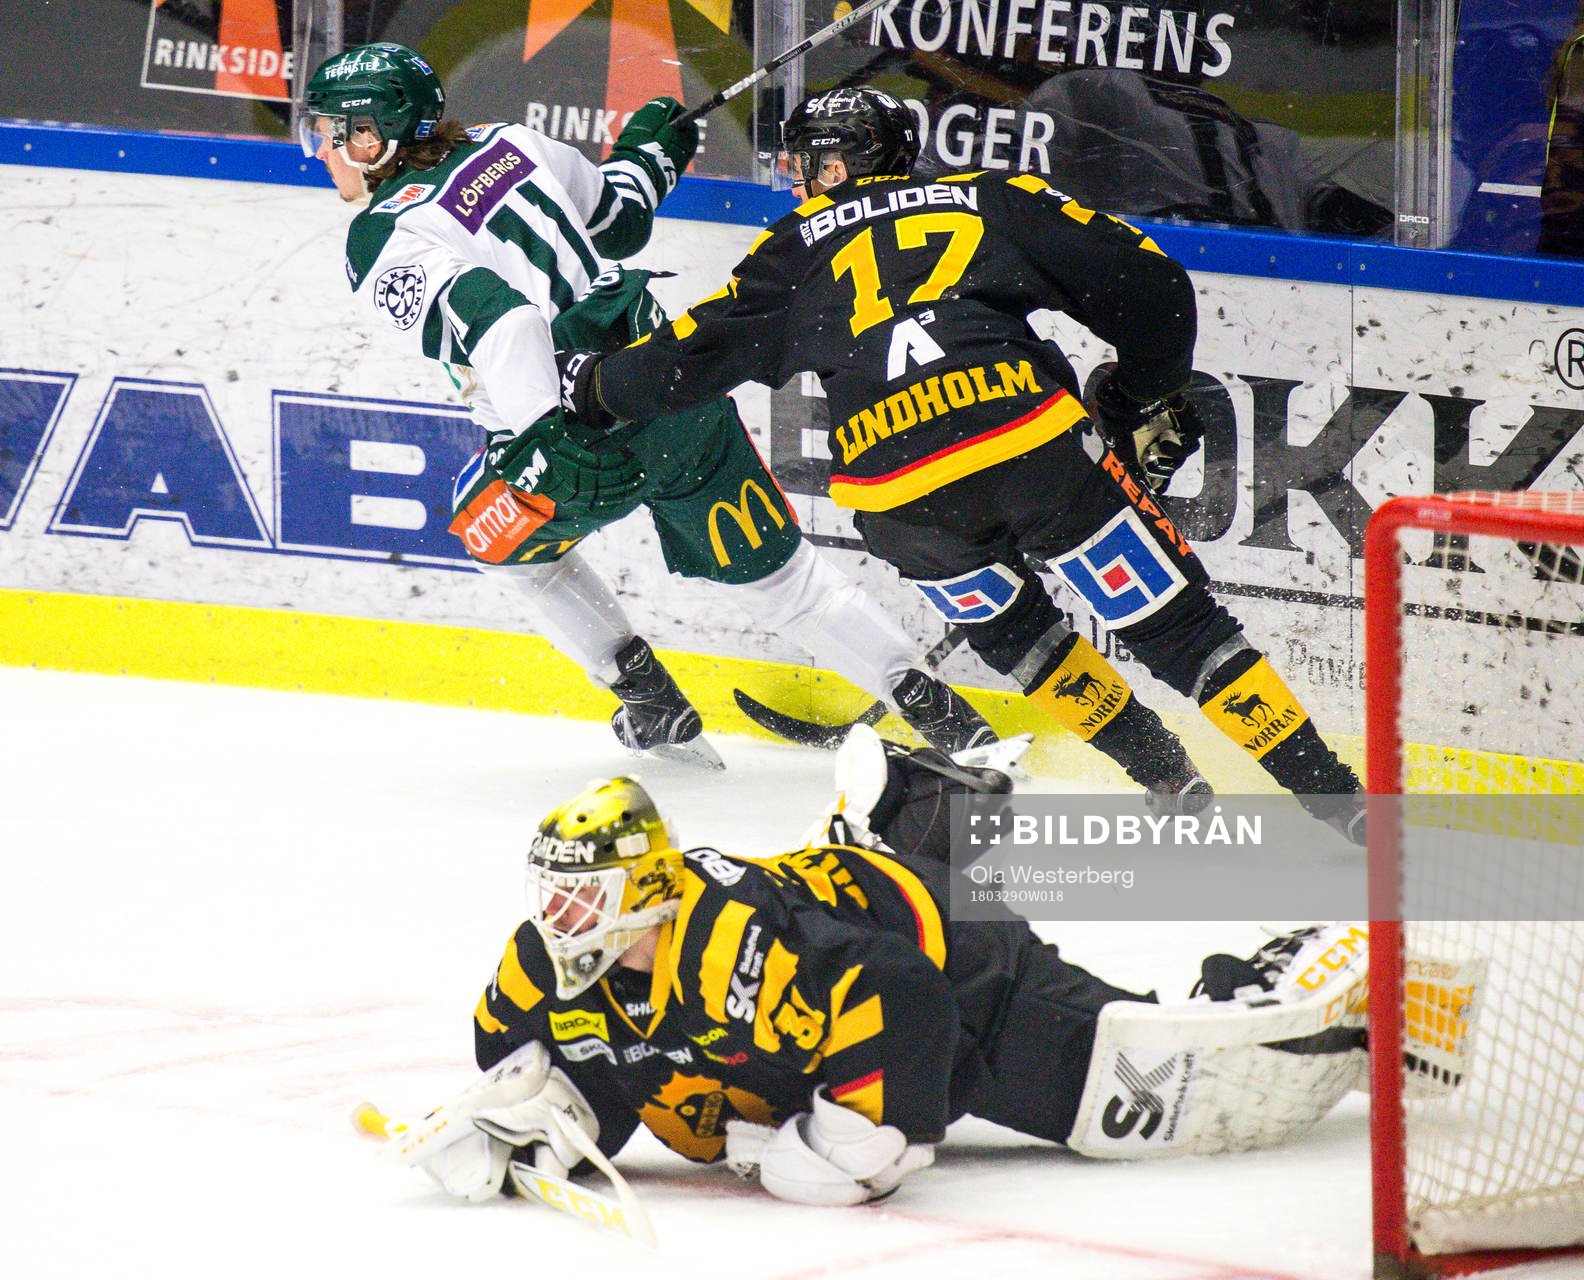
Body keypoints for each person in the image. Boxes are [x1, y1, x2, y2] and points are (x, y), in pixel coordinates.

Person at [558, 86, 1364, 837]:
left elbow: (681, 362)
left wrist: (591, 386)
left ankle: (1170, 786)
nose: (797, 184)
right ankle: (1340, 808)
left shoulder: (790, 252)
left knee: (1023, 636)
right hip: (1031, 448)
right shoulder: (987, 196)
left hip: (899, 499)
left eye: (804, 167)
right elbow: (1149, 285)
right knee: (1181, 632)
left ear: (836, 167)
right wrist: (1136, 395)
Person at [299, 42, 1001, 767]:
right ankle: (958, 729)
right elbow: (620, 216)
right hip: (664, 379)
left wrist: (544, 439)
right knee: (787, 584)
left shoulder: (382, 233)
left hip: (574, 428)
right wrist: (653, 151)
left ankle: (653, 704)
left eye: (330, 132)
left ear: (373, 136)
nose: (321, 149)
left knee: (500, 545)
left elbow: (507, 322)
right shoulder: (507, 142)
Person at [373, 742, 1371, 1207]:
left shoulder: (727, 943)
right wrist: (541, 1121)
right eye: (554, 895)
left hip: (976, 983)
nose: (561, 919)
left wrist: (866, 1137)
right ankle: (898, 804)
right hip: (866, 910)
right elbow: (592, 1069)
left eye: (582, 898)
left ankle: (1327, 976)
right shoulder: (547, 964)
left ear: (644, 890)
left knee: (1173, 1092)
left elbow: (904, 994)